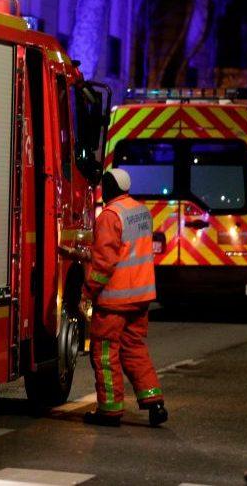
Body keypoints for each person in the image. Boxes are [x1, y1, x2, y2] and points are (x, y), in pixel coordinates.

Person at [81, 168, 168, 427]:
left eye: (103, 186)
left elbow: (104, 263)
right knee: (135, 349)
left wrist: (87, 291)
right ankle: (155, 402)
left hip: (114, 301)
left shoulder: (110, 216)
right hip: (140, 298)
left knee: (106, 353)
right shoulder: (141, 212)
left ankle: (109, 410)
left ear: (109, 188)